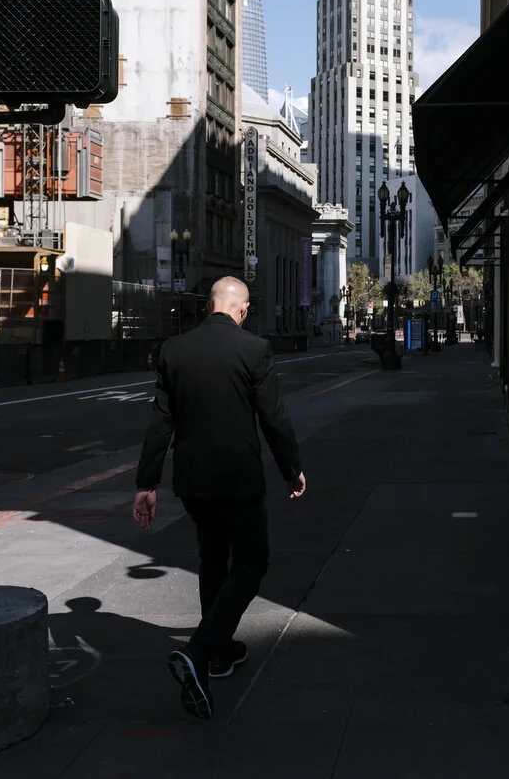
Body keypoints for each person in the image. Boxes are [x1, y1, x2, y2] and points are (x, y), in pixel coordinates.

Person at [133, 276, 307, 720]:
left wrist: (146, 484)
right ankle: (201, 648)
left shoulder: (174, 350)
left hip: (192, 480)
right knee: (252, 563)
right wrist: (291, 469)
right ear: (242, 309)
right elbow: (274, 417)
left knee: (212, 559)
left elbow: (160, 422)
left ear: (210, 305)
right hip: (239, 478)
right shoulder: (253, 349)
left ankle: (219, 653)